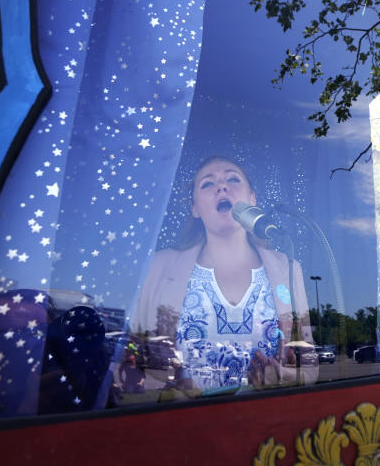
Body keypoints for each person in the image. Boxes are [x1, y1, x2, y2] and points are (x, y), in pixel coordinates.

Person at [133, 156, 316, 393]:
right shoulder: (157, 268)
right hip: (183, 424)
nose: (221, 186)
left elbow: (310, 367)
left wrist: (282, 376)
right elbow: (132, 362)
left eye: (232, 178)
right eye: (207, 184)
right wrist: (170, 388)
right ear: (195, 208)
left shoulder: (289, 269)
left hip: (268, 422)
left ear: (252, 199)